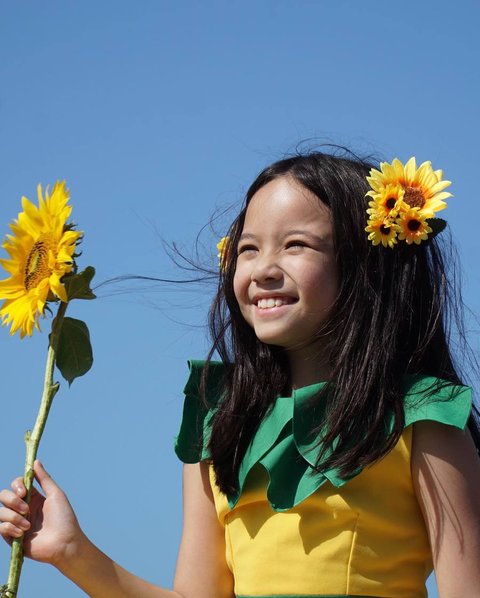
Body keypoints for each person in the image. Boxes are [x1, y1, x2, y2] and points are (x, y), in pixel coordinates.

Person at [1, 150, 480, 598]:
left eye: (296, 245)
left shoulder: (422, 415)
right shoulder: (218, 420)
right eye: (248, 249)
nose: (264, 268)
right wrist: (73, 553)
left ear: (366, 266)